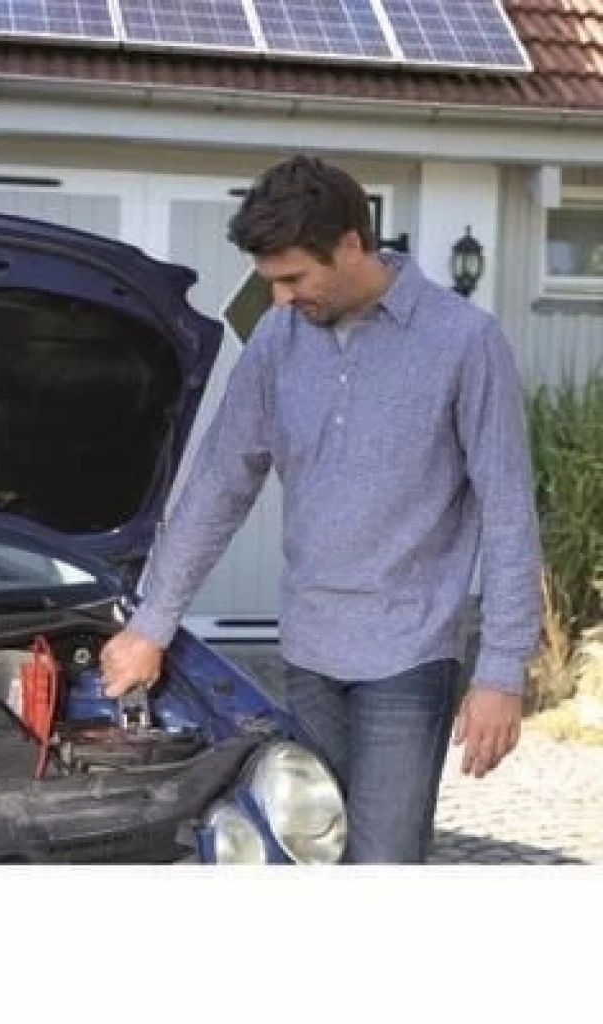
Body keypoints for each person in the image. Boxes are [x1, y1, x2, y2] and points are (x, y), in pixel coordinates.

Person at [99, 154, 542, 864]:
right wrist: (154, 621)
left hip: (409, 655)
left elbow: (510, 511)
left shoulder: (463, 340)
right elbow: (218, 485)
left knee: (383, 863)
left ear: (351, 245)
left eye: (294, 278)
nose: (278, 299)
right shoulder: (277, 341)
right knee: (309, 854)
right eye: (270, 281)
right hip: (308, 651)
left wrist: (501, 672)